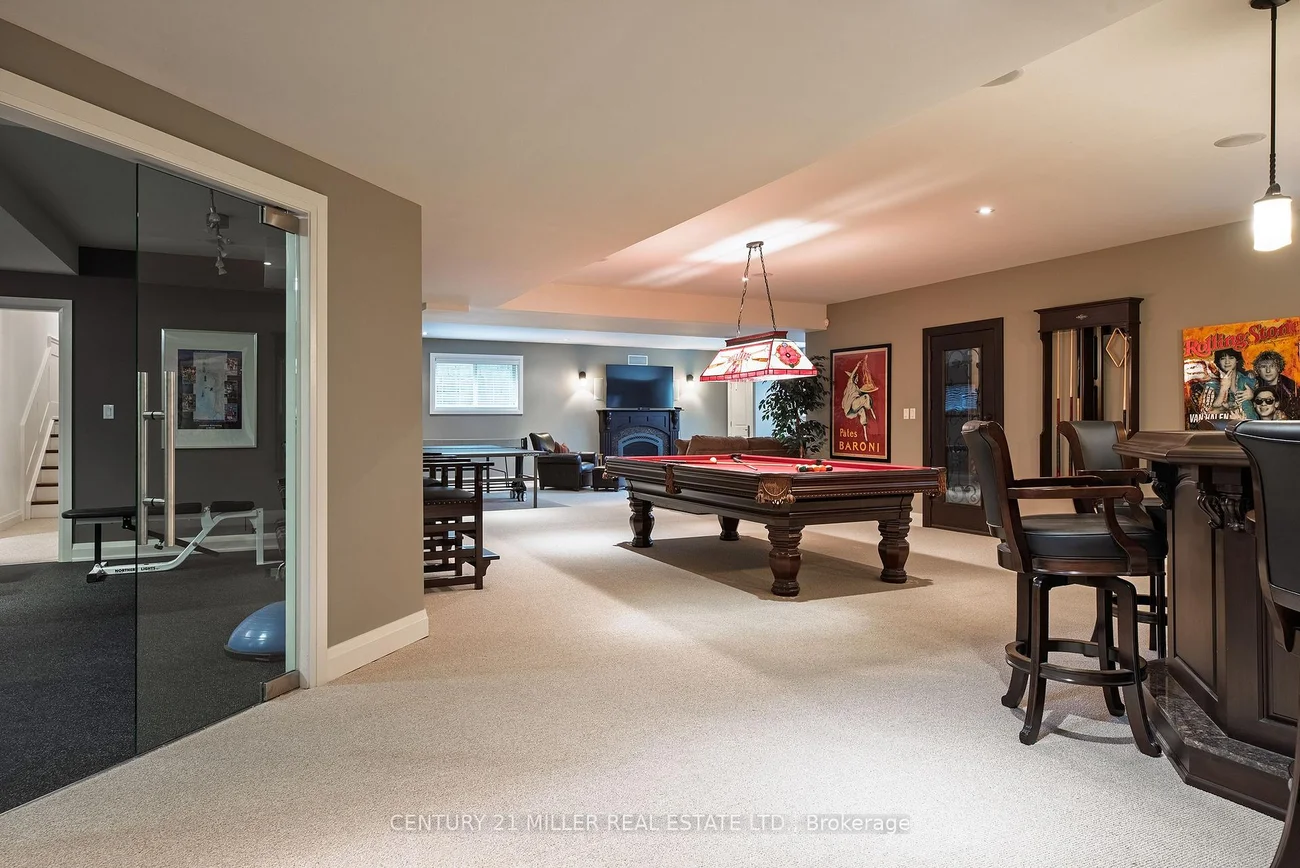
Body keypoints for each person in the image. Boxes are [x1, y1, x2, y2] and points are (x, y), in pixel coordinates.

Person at [1209, 347, 1257, 419]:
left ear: (1236, 360)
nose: (1227, 362)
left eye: (1231, 358)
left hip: (1250, 422)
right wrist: (1223, 390)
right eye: (1223, 358)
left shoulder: (1248, 380)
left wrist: (1253, 395)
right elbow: (1210, 411)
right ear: (1219, 361)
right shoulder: (1212, 383)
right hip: (1225, 423)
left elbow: (1264, 403)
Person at [1251, 349, 1299, 417]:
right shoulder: (1253, 383)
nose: (1268, 371)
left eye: (1272, 366)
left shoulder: (1290, 386)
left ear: (1278, 368)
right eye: (1263, 366)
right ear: (1258, 369)